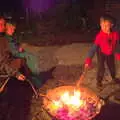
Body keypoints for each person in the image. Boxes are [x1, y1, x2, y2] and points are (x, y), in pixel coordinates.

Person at [84, 14, 120, 89]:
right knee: (101, 68)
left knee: (112, 66)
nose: (104, 27)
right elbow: (93, 49)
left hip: (110, 52)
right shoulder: (99, 36)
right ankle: (99, 82)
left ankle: (114, 78)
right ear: (100, 24)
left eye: (106, 25)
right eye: (102, 25)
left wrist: (117, 54)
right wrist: (88, 60)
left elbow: (116, 45)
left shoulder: (115, 35)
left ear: (111, 25)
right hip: (101, 52)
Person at [5, 20, 42, 88]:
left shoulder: (10, 37)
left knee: (31, 54)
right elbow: (13, 51)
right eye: (12, 29)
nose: (13, 30)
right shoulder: (6, 38)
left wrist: (19, 46)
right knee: (30, 56)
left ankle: (35, 75)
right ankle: (35, 77)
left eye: (14, 29)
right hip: (13, 55)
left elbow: (15, 45)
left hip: (15, 53)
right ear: (8, 28)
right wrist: (18, 49)